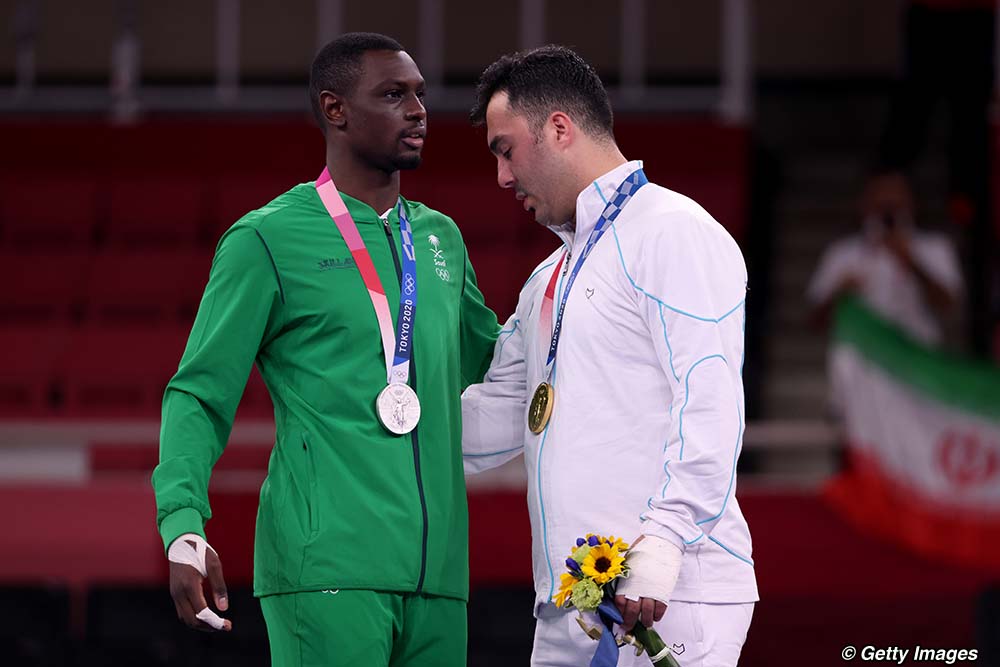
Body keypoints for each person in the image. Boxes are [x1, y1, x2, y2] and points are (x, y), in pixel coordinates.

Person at [152, 32, 499, 667]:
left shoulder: (441, 239)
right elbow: (199, 394)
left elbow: (502, 369)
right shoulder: (267, 239)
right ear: (334, 109)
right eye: (394, 95)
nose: (419, 110)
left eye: (421, 95)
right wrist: (182, 522)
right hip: (327, 569)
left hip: (441, 581)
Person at [461, 45, 757, 667]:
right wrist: (372, 423)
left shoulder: (673, 231)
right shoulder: (549, 276)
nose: (502, 178)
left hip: (668, 596)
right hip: (570, 604)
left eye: (505, 149)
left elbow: (710, 400)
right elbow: (491, 422)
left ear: (559, 128)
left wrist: (664, 544)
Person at [807, 211, 963, 346]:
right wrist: (840, 292)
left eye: (895, 201)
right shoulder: (842, 252)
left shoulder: (934, 246)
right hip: (861, 361)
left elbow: (949, 305)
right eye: (880, 199)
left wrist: (914, 264)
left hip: (916, 358)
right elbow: (814, 322)